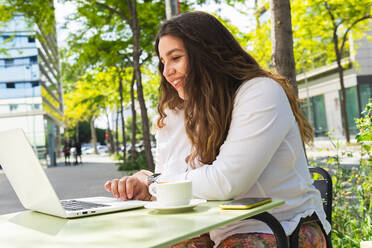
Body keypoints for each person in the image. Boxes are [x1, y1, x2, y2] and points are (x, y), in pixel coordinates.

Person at [105, 11, 330, 247]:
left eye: (176, 58)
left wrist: (154, 182)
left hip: (282, 227)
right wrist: (146, 182)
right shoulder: (187, 110)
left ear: (207, 53)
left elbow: (226, 181)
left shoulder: (261, 92)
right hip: (214, 230)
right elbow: (175, 176)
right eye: (163, 62)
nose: (166, 71)